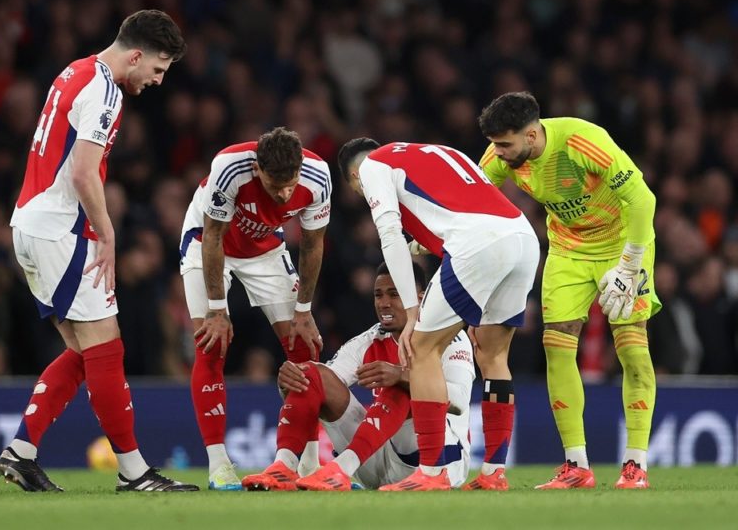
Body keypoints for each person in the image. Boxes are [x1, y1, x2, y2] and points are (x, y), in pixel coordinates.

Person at [0, 10, 198, 492]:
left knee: (83, 350)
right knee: (106, 348)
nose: (157, 80)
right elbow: (85, 171)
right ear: (135, 55)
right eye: (157, 69)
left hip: (30, 223)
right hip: (62, 230)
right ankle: (134, 473)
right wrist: (106, 232)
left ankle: (21, 452)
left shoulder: (73, 70)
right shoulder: (105, 88)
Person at [477, 91, 660, 489]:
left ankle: (636, 465)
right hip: (567, 250)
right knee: (556, 347)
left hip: (624, 245)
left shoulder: (582, 140)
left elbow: (643, 199)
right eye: (494, 145)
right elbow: (471, 199)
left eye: (505, 145)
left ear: (531, 135)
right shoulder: (500, 156)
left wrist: (630, 264)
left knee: (631, 347)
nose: (499, 154)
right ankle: (576, 465)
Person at [336, 138, 539, 491]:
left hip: (477, 243)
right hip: (522, 235)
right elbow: (457, 209)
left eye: (358, 189)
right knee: (493, 354)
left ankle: (431, 473)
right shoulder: (438, 152)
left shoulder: (372, 167)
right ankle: (493, 472)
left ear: (355, 175)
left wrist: (413, 312)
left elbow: (389, 236)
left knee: (422, 347)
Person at [179, 126, 331, 489]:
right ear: (257, 168)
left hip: (265, 248)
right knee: (211, 344)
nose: (283, 194)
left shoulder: (318, 175)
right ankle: (219, 466)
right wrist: (217, 309)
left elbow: (312, 245)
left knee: (304, 348)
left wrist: (304, 310)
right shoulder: (230, 166)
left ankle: (309, 465)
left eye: (289, 184)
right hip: (208, 244)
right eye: (273, 184)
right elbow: (213, 235)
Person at [241, 262, 474, 491]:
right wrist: (291, 381)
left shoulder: (450, 338)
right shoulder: (369, 341)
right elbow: (317, 386)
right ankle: (284, 466)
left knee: (404, 385)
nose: (384, 303)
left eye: (395, 294)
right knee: (311, 373)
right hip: (377, 464)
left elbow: (460, 401)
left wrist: (402, 376)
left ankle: (341, 468)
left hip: (437, 463)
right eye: (378, 295)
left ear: (421, 298)